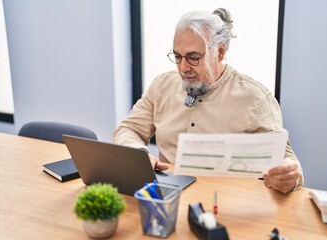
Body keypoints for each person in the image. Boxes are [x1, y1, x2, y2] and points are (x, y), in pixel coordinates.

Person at [114, 8, 303, 193]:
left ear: (220, 52)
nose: (183, 68)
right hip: (168, 197)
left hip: (228, 203)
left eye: (193, 57)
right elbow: (128, 129)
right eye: (178, 57)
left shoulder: (257, 98)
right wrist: (140, 154)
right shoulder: (162, 85)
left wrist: (289, 174)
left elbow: (287, 162)